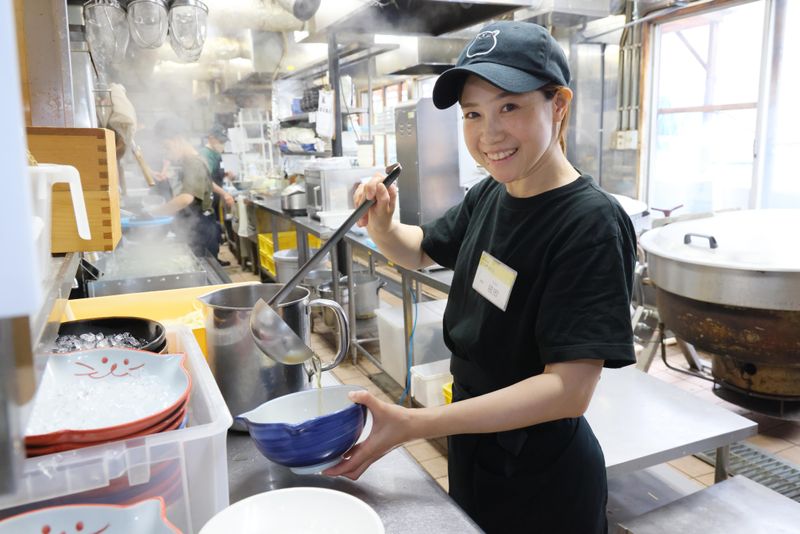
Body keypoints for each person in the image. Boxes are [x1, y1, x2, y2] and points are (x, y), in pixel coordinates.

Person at [324, 21, 637, 534]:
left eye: (509, 107)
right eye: (473, 113)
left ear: (559, 105)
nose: (489, 134)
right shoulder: (491, 194)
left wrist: (415, 423)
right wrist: (383, 224)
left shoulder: (590, 223)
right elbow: (419, 249)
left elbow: (568, 389)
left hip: (543, 475)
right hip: (477, 445)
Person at [149, 117, 227, 262]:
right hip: (198, 227)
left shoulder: (193, 162)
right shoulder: (191, 160)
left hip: (200, 232)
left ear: (178, 139)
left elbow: (185, 198)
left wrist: (153, 213)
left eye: (166, 146)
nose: (166, 152)